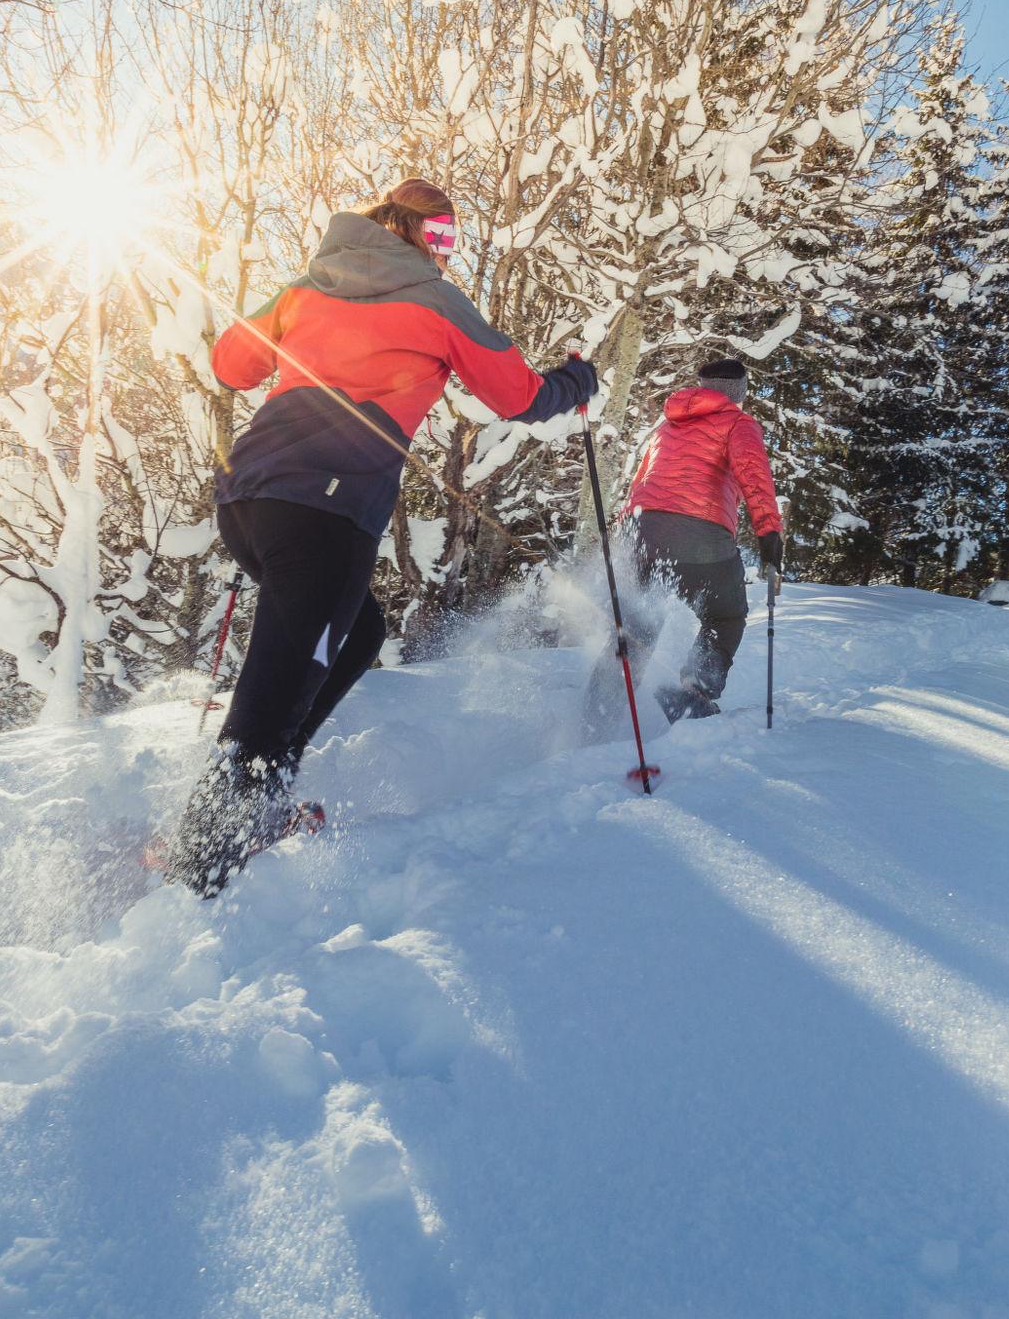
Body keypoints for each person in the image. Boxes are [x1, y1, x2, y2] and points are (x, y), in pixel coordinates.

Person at [170, 177, 597, 895]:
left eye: (449, 243)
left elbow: (230, 367)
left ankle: (257, 795)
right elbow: (517, 396)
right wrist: (576, 381)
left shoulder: (309, 283)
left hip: (249, 498)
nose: (444, 254)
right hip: (326, 511)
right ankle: (204, 863)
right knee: (281, 680)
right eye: (439, 238)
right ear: (406, 230)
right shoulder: (435, 299)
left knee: (359, 631)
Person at [619, 356, 784, 722]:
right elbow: (754, 478)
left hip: (643, 532)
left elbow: (640, 485)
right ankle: (695, 689)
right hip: (700, 534)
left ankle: (605, 700)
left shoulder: (667, 427)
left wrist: (625, 537)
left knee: (639, 623)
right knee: (725, 615)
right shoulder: (739, 424)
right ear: (738, 393)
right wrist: (769, 533)